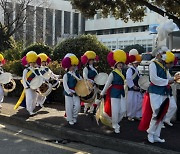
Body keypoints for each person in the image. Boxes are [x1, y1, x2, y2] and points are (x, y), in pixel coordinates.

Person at [143, 46, 177, 143]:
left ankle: (156, 135)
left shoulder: (163, 66)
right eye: (163, 53)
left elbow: (169, 78)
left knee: (162, 113)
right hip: (154, 91)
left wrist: (174, 79)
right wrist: (168, 81)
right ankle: (150, 133)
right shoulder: (152, 64)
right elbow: (154, 79)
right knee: (157, 112)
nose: (164, 55)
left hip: (163, 92)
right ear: (158, 54)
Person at [100, 49, 127, 133]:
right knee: (115, 110)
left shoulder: (123, 72)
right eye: (119, 63)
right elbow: (108, 84)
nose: (120, 65)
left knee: (123, 110)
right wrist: (102, 92)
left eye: (121, 64)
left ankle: (115, 122)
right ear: (115, 64)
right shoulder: (113, 73)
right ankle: (115, 125)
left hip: (121, 92)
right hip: (114, 92)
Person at [62, 53, 81, 125]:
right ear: (68, 66)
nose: (73, 67)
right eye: (72, 65)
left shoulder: (77, 74)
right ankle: (70, 119)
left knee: (77, 106)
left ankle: (74, 117)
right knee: (69, 107)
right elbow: (65, 85)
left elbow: (81, 82)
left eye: (74, 65)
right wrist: (68, 91)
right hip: (69, 93)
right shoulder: (66, 75)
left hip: (76, 92)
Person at [126, 49, 143, 121]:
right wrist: (132, 86)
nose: (137, 64)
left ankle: (137, 115)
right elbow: (128, 78)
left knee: (139, 102)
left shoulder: (137, 70)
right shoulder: (130, 69)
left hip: (137, 88)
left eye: (137, 63)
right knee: (132, 103)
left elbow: (140, 78)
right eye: (136, 63)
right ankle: (130, 115)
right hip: (132, 89)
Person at [22, 51, 40, 115]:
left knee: (35, 98)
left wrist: (37, 86)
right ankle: (29, 110)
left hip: (35, 87)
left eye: (33, 62)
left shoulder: (37, 70)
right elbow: (24, 79)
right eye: (31, 62)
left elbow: (39, 78)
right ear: (29, 62)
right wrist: (26, 86)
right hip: (29, 86)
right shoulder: (26, 70)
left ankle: (32, 109)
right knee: (29, 98)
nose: (32, 63)